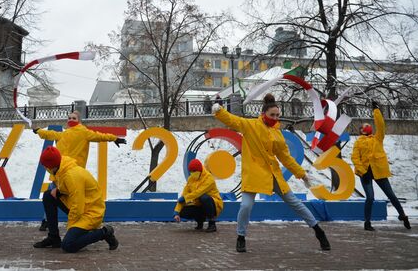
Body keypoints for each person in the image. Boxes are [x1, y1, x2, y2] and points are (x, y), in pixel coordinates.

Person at [212, 93, 330, 252]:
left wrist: (302, 174)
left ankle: (318, 231)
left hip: (273, 175)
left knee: (295, 203)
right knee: (246, 206)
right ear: (263, 114)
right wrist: (219, 111)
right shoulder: (251, 125)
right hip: (254, 175)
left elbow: (286, 158)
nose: (275, 117)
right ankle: (241, 237)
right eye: (272, 115)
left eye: (277, 115)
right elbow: (233, 120)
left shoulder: (277, 134)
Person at [33, 110, 126, 230]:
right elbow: (50, 134)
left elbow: (99, 136)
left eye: (74, 118)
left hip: (74, 174)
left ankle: (81, 224)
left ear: (79, 121)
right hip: (60, 173)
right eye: (69, 118)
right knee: (51, 194)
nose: (71, 120)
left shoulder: (84, 132)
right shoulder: (64, 134)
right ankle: (47, 221)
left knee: (72, 201)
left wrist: (114, 138)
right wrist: (39, 131)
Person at [33, 146, 119, 253]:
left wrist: (72, 229)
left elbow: (77, 206)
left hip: (90, 212)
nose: (44, 168)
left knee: (68, 245)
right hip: (82, 206)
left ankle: (104, 232)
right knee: (48, 195)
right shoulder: (61, 167)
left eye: (45, 166)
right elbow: (69, 189)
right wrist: (59, 191)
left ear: (51, 166)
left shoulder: (71, 176)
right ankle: (53, 238)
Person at [351, 101, 411, 231]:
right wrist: (361, 170)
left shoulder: (377, 138)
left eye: (369, 125)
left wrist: (376, 110)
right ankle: (367, 222)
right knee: (370, 197)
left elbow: (381, 125)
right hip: (366, 173)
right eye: (365, 125)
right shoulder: (358, 142)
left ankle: (403, 216)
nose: (367, 126)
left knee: (391, 195)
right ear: (361, 130)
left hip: (379, 171)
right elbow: (355, 158)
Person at [173, 159, 223, 232]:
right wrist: (176, 212)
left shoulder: (209, 178)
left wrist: (185, 198)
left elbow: (199, 192)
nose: (192, 173)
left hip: (214, 204)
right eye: (191, 171)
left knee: (204, 198)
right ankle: (200, 222)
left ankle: (212, 224)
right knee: (183, 212)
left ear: (200, 170)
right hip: (199, 203)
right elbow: (184, 194)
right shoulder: (191, 179)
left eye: (194, 171)